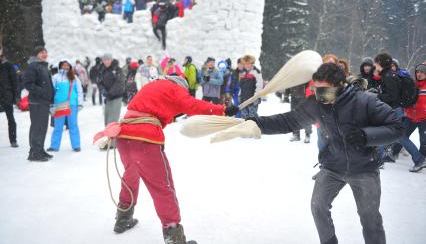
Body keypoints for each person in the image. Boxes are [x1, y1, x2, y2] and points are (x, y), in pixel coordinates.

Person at [247, 63, 404, 244]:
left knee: (370, 217)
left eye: (324, 91)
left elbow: (397, 128)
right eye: (316, 91)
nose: (319, 97)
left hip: (364, 168)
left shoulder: (365, 101)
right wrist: (255, 124)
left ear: (340, 85)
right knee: (318, 206)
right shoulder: (317, 104)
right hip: (332, 166)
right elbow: (287, 121)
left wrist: (366, 136)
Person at [94, 75, 239, 242]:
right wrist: (223, 110)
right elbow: (192, 105)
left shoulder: (151, 86)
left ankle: (123, 218)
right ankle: (174, 236)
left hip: (124, 136)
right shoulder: (174, 88)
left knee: (130, 177)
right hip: (145, 140)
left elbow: (159, 109)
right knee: (163, 187)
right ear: (181, 86)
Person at [387, 62, 426, 172]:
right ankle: (419, 160)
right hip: (410, 117)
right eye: (418, 72)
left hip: (424, 118)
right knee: (400, 135)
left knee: (424, 141)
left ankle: (420, 162)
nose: (419, 74)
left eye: (422, 72)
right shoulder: (412, 84)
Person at [23, 46, 54, 161]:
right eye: (41, 52)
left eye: (45, 52)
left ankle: (39, 150)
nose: (44, 54)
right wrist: (43, 92)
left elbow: (47, 84)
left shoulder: (43, 66)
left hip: (44, 101)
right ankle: (35, 153)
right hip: (37, 102)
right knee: (37, 127)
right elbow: (28, 83)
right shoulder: (33, 66)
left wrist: (51, 95)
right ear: (36, 54)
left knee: (42, 127)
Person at [47, 59, 83, 152]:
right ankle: (54, 146)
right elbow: (51, 91)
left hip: (72, 104)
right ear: (60, 66)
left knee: (73, 125)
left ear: (70, 67)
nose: (65, 67)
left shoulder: (74, 78)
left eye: (67, 65)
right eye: (63, 65)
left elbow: (79, 91)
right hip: (59, 105)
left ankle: (76, 145)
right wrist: (51, 104)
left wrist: (79, 103)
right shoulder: (55, 77)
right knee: (58, 126)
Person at [98, 53, 125, 149]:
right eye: (104, 60)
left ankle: (113, 143)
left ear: (111, 60)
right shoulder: (102, 70)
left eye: (108, 59)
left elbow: (120, 83)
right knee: (107, 120)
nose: (106, 62)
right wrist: (102, 90)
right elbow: (99, 81)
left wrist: (110, 93)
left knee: (112, 120)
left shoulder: (117, 69)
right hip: (108, 98)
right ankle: (109, 139)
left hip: (116, 97)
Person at [0, 50, 20, 148]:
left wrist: (17, 96)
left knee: (10, 119)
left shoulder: (8, 65)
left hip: (6, 95)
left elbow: (15, 81)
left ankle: (13, 140)